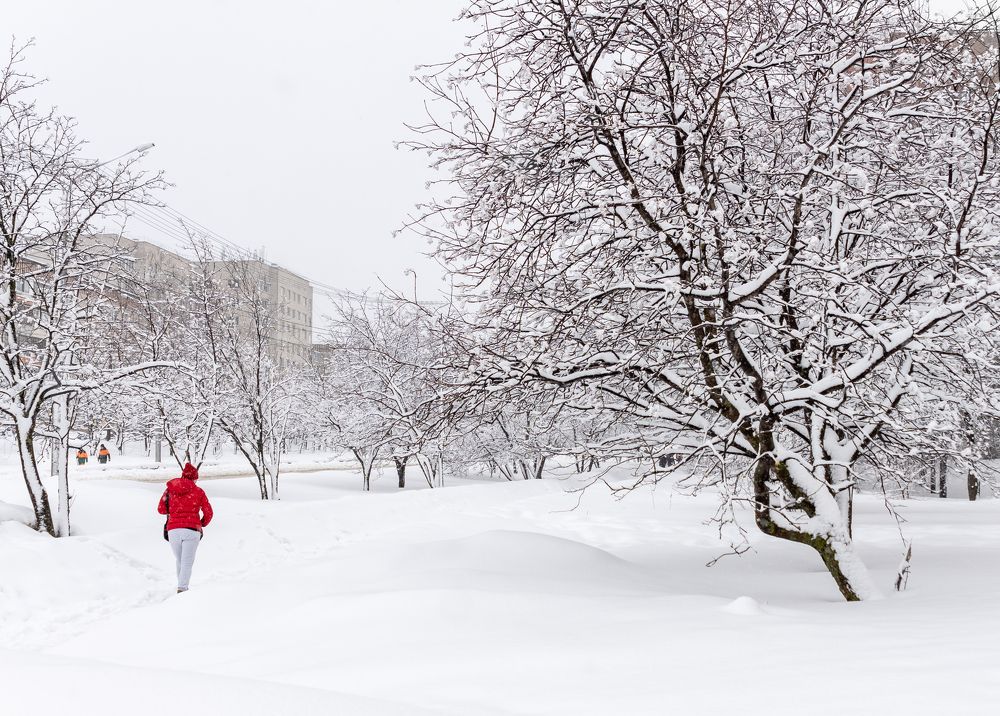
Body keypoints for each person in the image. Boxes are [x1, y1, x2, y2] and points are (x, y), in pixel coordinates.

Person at [157, 462, 213, 593]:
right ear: (194, 478)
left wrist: (175, 511)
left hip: (173, 530)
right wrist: (201, 523)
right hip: (192, 530)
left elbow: (160, 509)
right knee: (187, 562)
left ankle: (181, 587)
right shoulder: (198, 491)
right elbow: (209, 512)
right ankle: (182, 590)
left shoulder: (170, 489)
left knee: (181, 560)